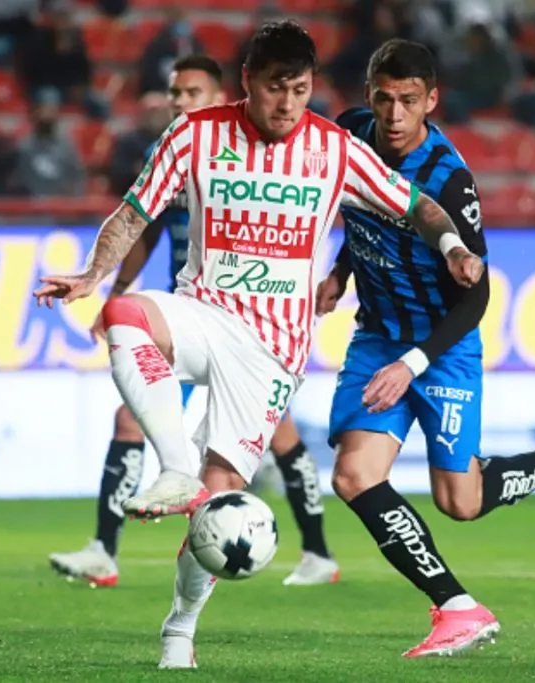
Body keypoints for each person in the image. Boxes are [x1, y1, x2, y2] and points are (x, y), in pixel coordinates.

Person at [32, 20, 484, 668]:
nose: (289, 105)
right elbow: (134, 211)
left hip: (271, 350)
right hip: (203, 310)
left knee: (217, 506)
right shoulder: (194, 134)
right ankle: (173, 466)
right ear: (248, 81)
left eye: (300, 90)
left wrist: (454, 248)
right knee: (122, 313)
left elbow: (420, 206)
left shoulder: (333, 148)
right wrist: (91, 274)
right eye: (276, 89)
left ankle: (178, 631)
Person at [316, 39, 535, 658]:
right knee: (353, 475)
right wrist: (343, 272)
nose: (394, 114)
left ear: (431, 100)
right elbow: (367, 212)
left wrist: (414, 363)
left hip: (440, 346)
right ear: (368, 95)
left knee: (462, 500)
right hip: (378, 337)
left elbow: (475, 299)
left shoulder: (450, 181)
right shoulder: (350, 135)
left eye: (408, 101)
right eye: (383, 99)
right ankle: (457, 607)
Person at [47, 54, 339, 588]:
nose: (177, 102)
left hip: (258, 328)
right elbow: (144, 230)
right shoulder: (181, 154)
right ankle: (104, 548)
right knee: (128, 421)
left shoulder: (243, 151)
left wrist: (332, 278)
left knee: (281, 437)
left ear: (223, 95)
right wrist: (109, 290)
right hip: (192, 320)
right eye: (174, 92)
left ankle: (318, 549)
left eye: (190, 92)